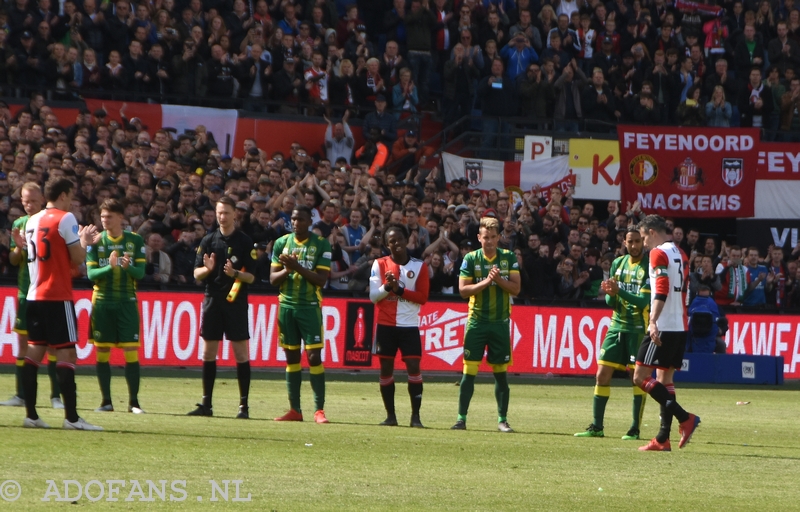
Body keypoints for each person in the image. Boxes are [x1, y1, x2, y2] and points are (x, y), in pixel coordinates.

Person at [20, 177, 102, 430]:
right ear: (64, 195)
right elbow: (77, 258)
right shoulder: (65, 218)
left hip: (34, 295)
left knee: (33, 352)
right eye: (71, 195)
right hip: (57, 295)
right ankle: (72, 419)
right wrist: (85, 242)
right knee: (67, 353)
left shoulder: (32, 221)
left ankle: (31, 415)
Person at [575, 227, 650, 440]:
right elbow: (611, 302)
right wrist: (609, 294)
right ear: (624, 243)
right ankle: (597, 427)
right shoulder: (618, 263)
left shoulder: (648, 266)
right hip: (616, 325)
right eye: (630, 242)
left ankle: (634, 428)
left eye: (637, 241)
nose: (634, 245)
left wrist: (619, 291)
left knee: (636, 379)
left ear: (643, 242)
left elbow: (643, 301)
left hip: (638, 327)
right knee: (601, 374)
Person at [633, 215, 700, 451]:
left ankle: (685, 417)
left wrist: (653, 321)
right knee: (665, 380)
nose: (643, 243)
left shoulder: (657, 253)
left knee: (640, 377)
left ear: (652, 232)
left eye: (642, 238)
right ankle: (663, 439)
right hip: (681, 324)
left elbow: (661, 287)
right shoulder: (681, 253)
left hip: (664, 325)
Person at [188, 196, 256, 419]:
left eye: (226, 212)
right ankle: (206, 404)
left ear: (234, 214)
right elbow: (196, 274)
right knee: (208, 352)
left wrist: (235, 274)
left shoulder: (245, 242)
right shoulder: (208, 240)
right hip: (212, 300)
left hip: (235, 302)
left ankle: (243, 407)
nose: (221, 216)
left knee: (240, 353)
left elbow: (252, 277)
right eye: (219, 212)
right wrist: (207, 270)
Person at [451, 217, 521, 433]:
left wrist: (498, 280)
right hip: (476, 323)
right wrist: (487, 281)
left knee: (500, 374)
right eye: (485, 237)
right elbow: (463, 291)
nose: (489, 241)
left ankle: (502, 420)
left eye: (493, 237)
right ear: (478, 238)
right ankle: (461, 418)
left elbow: (516, 289)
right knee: (468, 372)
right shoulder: (470, 258)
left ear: (499, 238)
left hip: (500, 323)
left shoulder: (508, 257)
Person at [0, 183, 63, 410]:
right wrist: (17, 249)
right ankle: (21, 394)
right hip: (25, 292)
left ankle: (56, 396)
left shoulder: (50, 221)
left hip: (47, 291)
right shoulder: (18, 225)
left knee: (53, 345)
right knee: (23, 344)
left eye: (33, 201)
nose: (28, 205)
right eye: (25, 201)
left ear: (42, 199)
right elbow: (14, 262)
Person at [270, 205, 332, 423]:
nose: (296, 223)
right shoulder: (281, 243)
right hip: (286, 307)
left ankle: (319, 410)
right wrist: (288, 269)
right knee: (292, 357)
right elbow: (273, 279)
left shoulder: (321, 244)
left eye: (301, 219)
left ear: (310, 221)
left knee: (314, 357)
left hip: (309, 306)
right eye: (294, 219)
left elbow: (321, 280)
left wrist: (296, 267)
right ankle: (295, 410)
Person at [86, 199, 146, 414]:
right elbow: (91, 274)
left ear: (121, 217)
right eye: (102, 217)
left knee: (131, 351)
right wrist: (110, 268)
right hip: (102, 302)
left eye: (109, 217)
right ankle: (106, 402)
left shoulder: (135, 241)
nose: (105, 221)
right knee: (102, 351)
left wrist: (128, 268)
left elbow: (141, 273)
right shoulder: (95, 242)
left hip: (127, 302)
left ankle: (134, 403)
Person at [369, 224, 430, 427]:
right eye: (391, 241)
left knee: (413, 366)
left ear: (407, 240)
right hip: (386, 325)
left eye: (399, 239)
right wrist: (388, 287)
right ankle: (391, 416)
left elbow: (422, 297)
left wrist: (399, 290)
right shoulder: (379, 264)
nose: (396, 244)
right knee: (386, 369)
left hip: (409, 326)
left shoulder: (419, 266)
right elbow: (373, 296)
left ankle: (415, 417)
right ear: (387, 245)